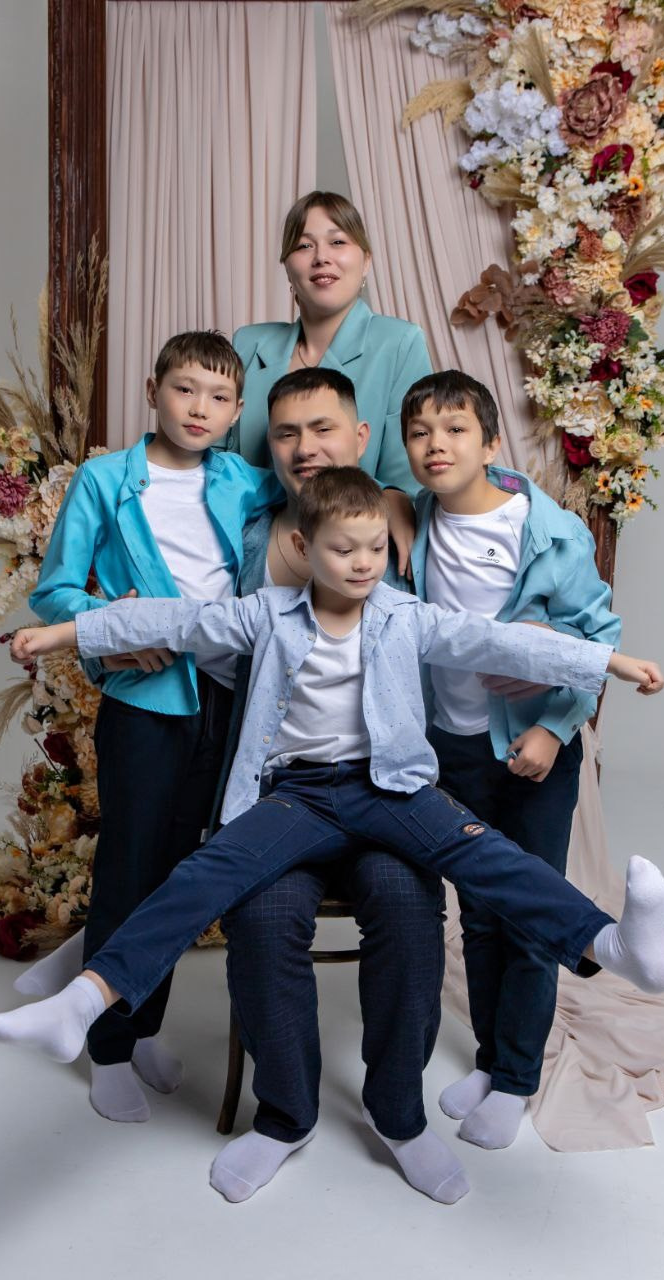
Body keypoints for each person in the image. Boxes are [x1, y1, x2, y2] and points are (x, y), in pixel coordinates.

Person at [0, 469, 664, 1200]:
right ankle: (88, 1002)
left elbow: (502, 644)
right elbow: (167, 620)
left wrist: (609, 663)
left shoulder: (406, 616)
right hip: (298, 796)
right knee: (202, 875)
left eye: (374, 547)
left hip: (389, 788)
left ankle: (608, 946)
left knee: (486, 854)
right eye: (344, 550)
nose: (364, 563)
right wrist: (58, 634)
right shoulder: (265, 615)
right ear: (303, 548)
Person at [25, 330, 282, 1123]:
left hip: (223, 699)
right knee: (130, 867)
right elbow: (55, 591)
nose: (199, 408)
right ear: (152, 391)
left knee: (181, 876)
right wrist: (112, 627)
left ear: (236, 412)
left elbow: (320, 496)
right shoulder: (106, 480)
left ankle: (142, 1028)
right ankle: (105, 1048)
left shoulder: (243, 481)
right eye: (184, 389)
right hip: (145, 701)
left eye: (218, 397)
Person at [214, 368, 448, 1203]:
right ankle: (284, 1115)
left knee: (409, 908)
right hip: (287, 791)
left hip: (384, 792)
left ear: (359, 437)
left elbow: (484, 501)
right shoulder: (247, 530)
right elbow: (199, 628)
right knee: (263, 916)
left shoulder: (409, 519)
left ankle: (400, 1113)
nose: (304, 447)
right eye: (286, 433)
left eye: (322, 429)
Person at [404, 370, 622, 1151]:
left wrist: (554, 729)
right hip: (452, 747)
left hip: (533, 748)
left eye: (455, 429)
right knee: (480, 914)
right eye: (419, 433)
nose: (436, 445)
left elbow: (598, 641)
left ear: (491, 442)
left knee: (529, 915)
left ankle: (518, 1077)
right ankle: (492, 1058)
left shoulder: (546, 531)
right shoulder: (414, 521)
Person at [231, 190, 431, 554]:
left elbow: (408, 474)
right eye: (304, 246)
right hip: (251, 547)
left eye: (338, 242)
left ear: (366, 260)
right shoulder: (248, 344)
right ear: (287, 266)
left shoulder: (399, 343)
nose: (321, 257)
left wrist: (395, 498)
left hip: (355, 549)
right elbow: (213, 465)